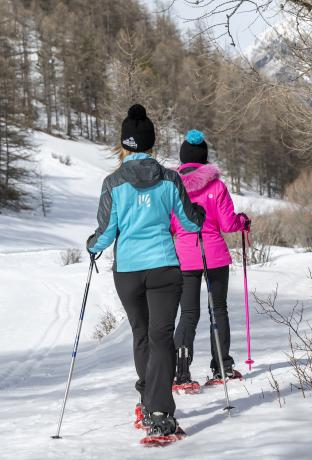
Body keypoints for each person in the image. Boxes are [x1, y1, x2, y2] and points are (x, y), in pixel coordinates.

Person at [87, 105, 205, 438]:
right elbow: (188, 223)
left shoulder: (112, 183)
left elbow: (106, 232)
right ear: (151, 143)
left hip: (128, 272)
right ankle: (160, 412)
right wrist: (197, 214)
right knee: (161, 337)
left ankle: (146, 399)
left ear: (124, 145)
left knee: (142, 334)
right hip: (164, 268)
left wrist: (92, 245)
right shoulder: (170, 179)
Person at [170, 130, 250, 386]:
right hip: (214, 255)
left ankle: (181, 370)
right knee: (218, 309)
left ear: (183, 160)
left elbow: (170, 225)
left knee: (188, 313)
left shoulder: (172, 187)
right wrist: (243, 221)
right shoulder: (217, 186)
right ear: (204, 158)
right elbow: (228, 224)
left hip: (184, 256)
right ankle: (222, 367)